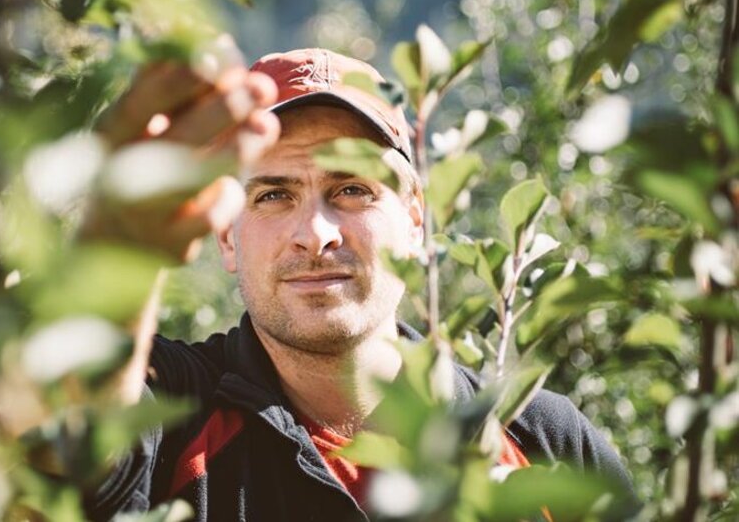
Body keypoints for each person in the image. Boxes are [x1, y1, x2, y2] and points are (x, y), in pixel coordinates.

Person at [80, 47, 634, 521]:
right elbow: (76, 436)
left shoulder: (543, 440)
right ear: (227, 236)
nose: (315, 234)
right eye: (273, 195)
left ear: (416, 218)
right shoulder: (178, 411)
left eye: (351, 190)